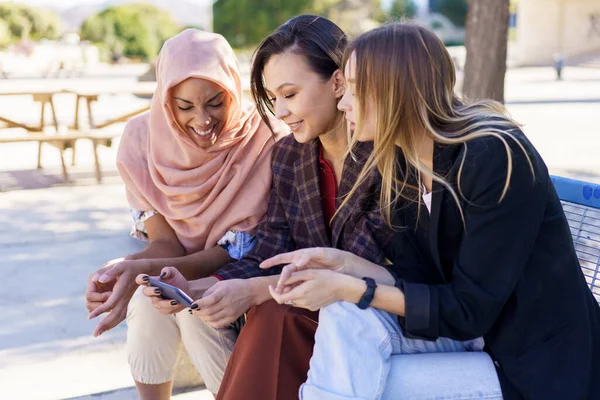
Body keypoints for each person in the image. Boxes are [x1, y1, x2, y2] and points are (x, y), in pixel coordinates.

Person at [261, 22, 600, 400]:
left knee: (366, 381)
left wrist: (352, 287)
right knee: (345, 321)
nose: (343, 103)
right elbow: (417, 275)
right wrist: (342, 264)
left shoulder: (494, 156)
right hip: (471, 340)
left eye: (354, 90)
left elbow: (470, 307)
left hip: (532, 366)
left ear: (393, 91)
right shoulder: (405, 160)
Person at [136, 15, 391, 400]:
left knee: (275, 315)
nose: (281, 112)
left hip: (365, 309)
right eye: (273, 99)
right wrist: (200, 285)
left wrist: (257, 291)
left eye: (290, 94)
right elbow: (271, 247)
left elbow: (361, 260)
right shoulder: (289, 154)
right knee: (194, 313)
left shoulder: (386, 153)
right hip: (303, 306)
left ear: (338, 82)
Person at [85, 29, 281, 399]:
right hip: (180, 277)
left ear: (232, 89)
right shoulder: (141, 141)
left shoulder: (264, 138)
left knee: (194, 313)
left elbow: (239, 251)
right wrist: (123, 268)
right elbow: (166, 243)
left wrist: (150, 273)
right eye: (185, 106)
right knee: (147, 299)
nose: (203, 120)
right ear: (165, 101)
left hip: (240, 280)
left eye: (214, 102)